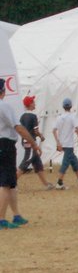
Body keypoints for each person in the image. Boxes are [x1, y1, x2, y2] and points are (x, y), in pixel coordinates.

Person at [0, 77, 38, 229]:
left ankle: (16, 215)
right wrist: (34, 143)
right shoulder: (4, 106)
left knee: (11, 183)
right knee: (5, 183)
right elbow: (19, 128)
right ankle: (1, 219)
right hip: (5, 144)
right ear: (3, 90)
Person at [53, 98, 78, 189]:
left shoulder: (59, 117)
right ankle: (59, 182)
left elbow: (53, 131)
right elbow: (77, 129)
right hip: (68, 144)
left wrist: (58, 143)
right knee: (65, 163)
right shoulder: (72, 117)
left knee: (74, 161)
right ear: (71, 106)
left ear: (63, 107)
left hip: (62, 143)